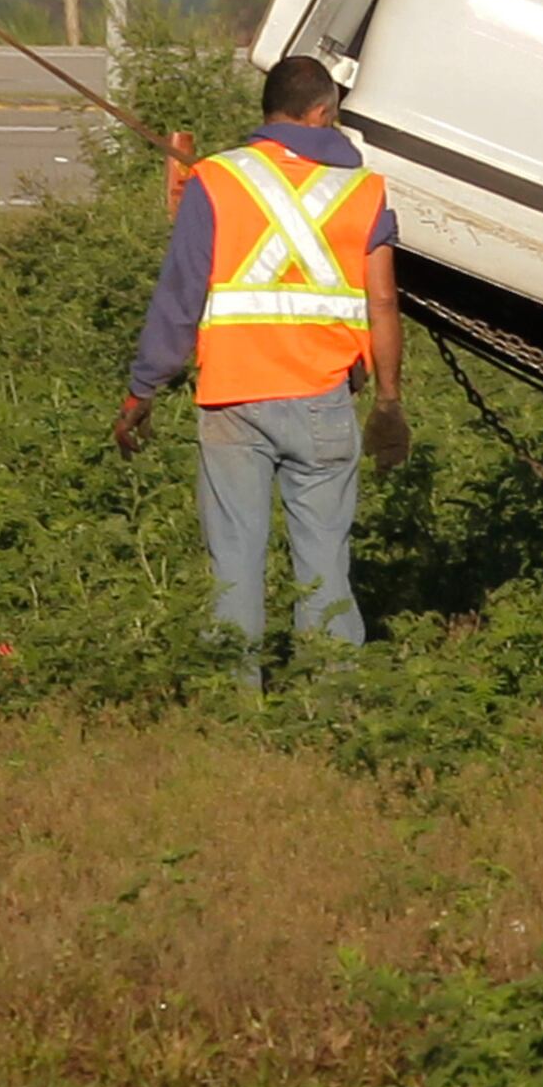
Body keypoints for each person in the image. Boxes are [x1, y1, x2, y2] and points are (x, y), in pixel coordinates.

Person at [117, 55, 411, 671]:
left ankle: (235, 714)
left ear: (268, 113)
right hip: (325, 402)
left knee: (234, 565)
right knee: (326, 565)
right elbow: (382, 301)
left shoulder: (220, 179)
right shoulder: (365, 191)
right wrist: (389, 403)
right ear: (324, 113)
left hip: (232, 403)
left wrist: (141, 392)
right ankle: (328, 709)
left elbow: (180, 295)